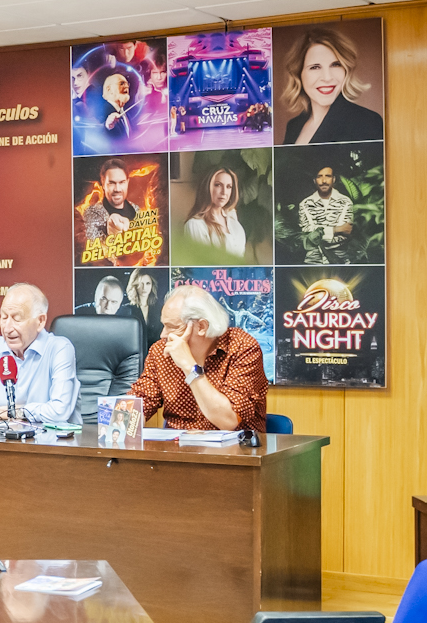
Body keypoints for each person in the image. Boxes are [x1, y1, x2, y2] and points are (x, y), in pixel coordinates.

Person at [124, 287, 267, 432]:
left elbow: (228, 421)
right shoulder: (161, 351)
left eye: (172, 327)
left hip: (235, 445)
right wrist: (123, 421)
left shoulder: (243, 347)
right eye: (164, 325)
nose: (163, 335)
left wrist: (189, 366)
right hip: (177, 445)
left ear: (202, 327)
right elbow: (140, 401)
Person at [0, 283, 78, 423]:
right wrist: (0, 413)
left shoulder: (59, 349)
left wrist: (19, 412)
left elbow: (59, 411)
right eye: (4, 317)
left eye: (17, 319)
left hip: (51, 436)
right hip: (3, 435)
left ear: (40, 321)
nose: (7, 328)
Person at [281, 27, 383, 145]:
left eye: (335, 65)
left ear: (346, 70)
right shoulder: (293, 126)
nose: (327, 77)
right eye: (315, 67)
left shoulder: (367, 122)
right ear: (299, 74)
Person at [184, 165, 248, 258]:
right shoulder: (195, 225)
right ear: (207, 187)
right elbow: (201, 261)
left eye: (229, 187)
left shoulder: (232, 219)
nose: (224, 192)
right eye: (218, 185)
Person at [298, 164, 355, 264]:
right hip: (313, 261)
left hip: (340, 260)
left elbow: (345, 233)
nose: (324, 181)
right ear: (314, 180)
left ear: (333, 179)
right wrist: (336, 230)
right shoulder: (305, 204)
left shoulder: (346, 202)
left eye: (328, 176)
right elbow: (307, 237)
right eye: (319, 176)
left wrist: (318, 233)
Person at [82, 159, 138, 240]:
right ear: (103, 183)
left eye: (122, 182)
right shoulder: (91, 213)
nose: (117, 189)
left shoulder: (136, 209)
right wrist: (109, 235)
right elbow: (91, 243)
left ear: (127, 182)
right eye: (111, 183)